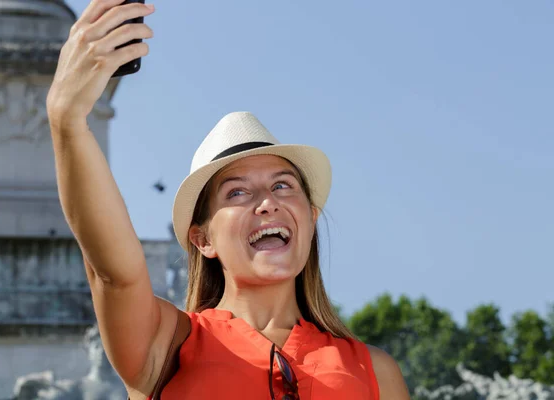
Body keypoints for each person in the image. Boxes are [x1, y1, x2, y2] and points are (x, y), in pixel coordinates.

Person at [46, 1, 410, 399]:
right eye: (237, 192)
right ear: (203, 239)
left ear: (311, 216)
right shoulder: (165, 345)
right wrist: (67, 121)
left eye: (284, 185)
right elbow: (114, 274)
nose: (267, 202)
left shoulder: (376, 371)